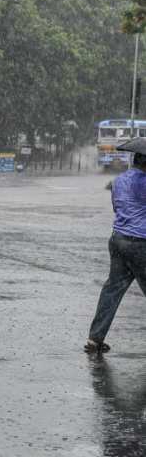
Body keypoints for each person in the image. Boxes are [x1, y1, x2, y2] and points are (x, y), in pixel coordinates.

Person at [84, 151, 146, 353]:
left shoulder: (118, 181)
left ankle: (95, 338)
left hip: (117, 239)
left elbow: (116, 207)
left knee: (112, 288)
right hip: (140, 243)